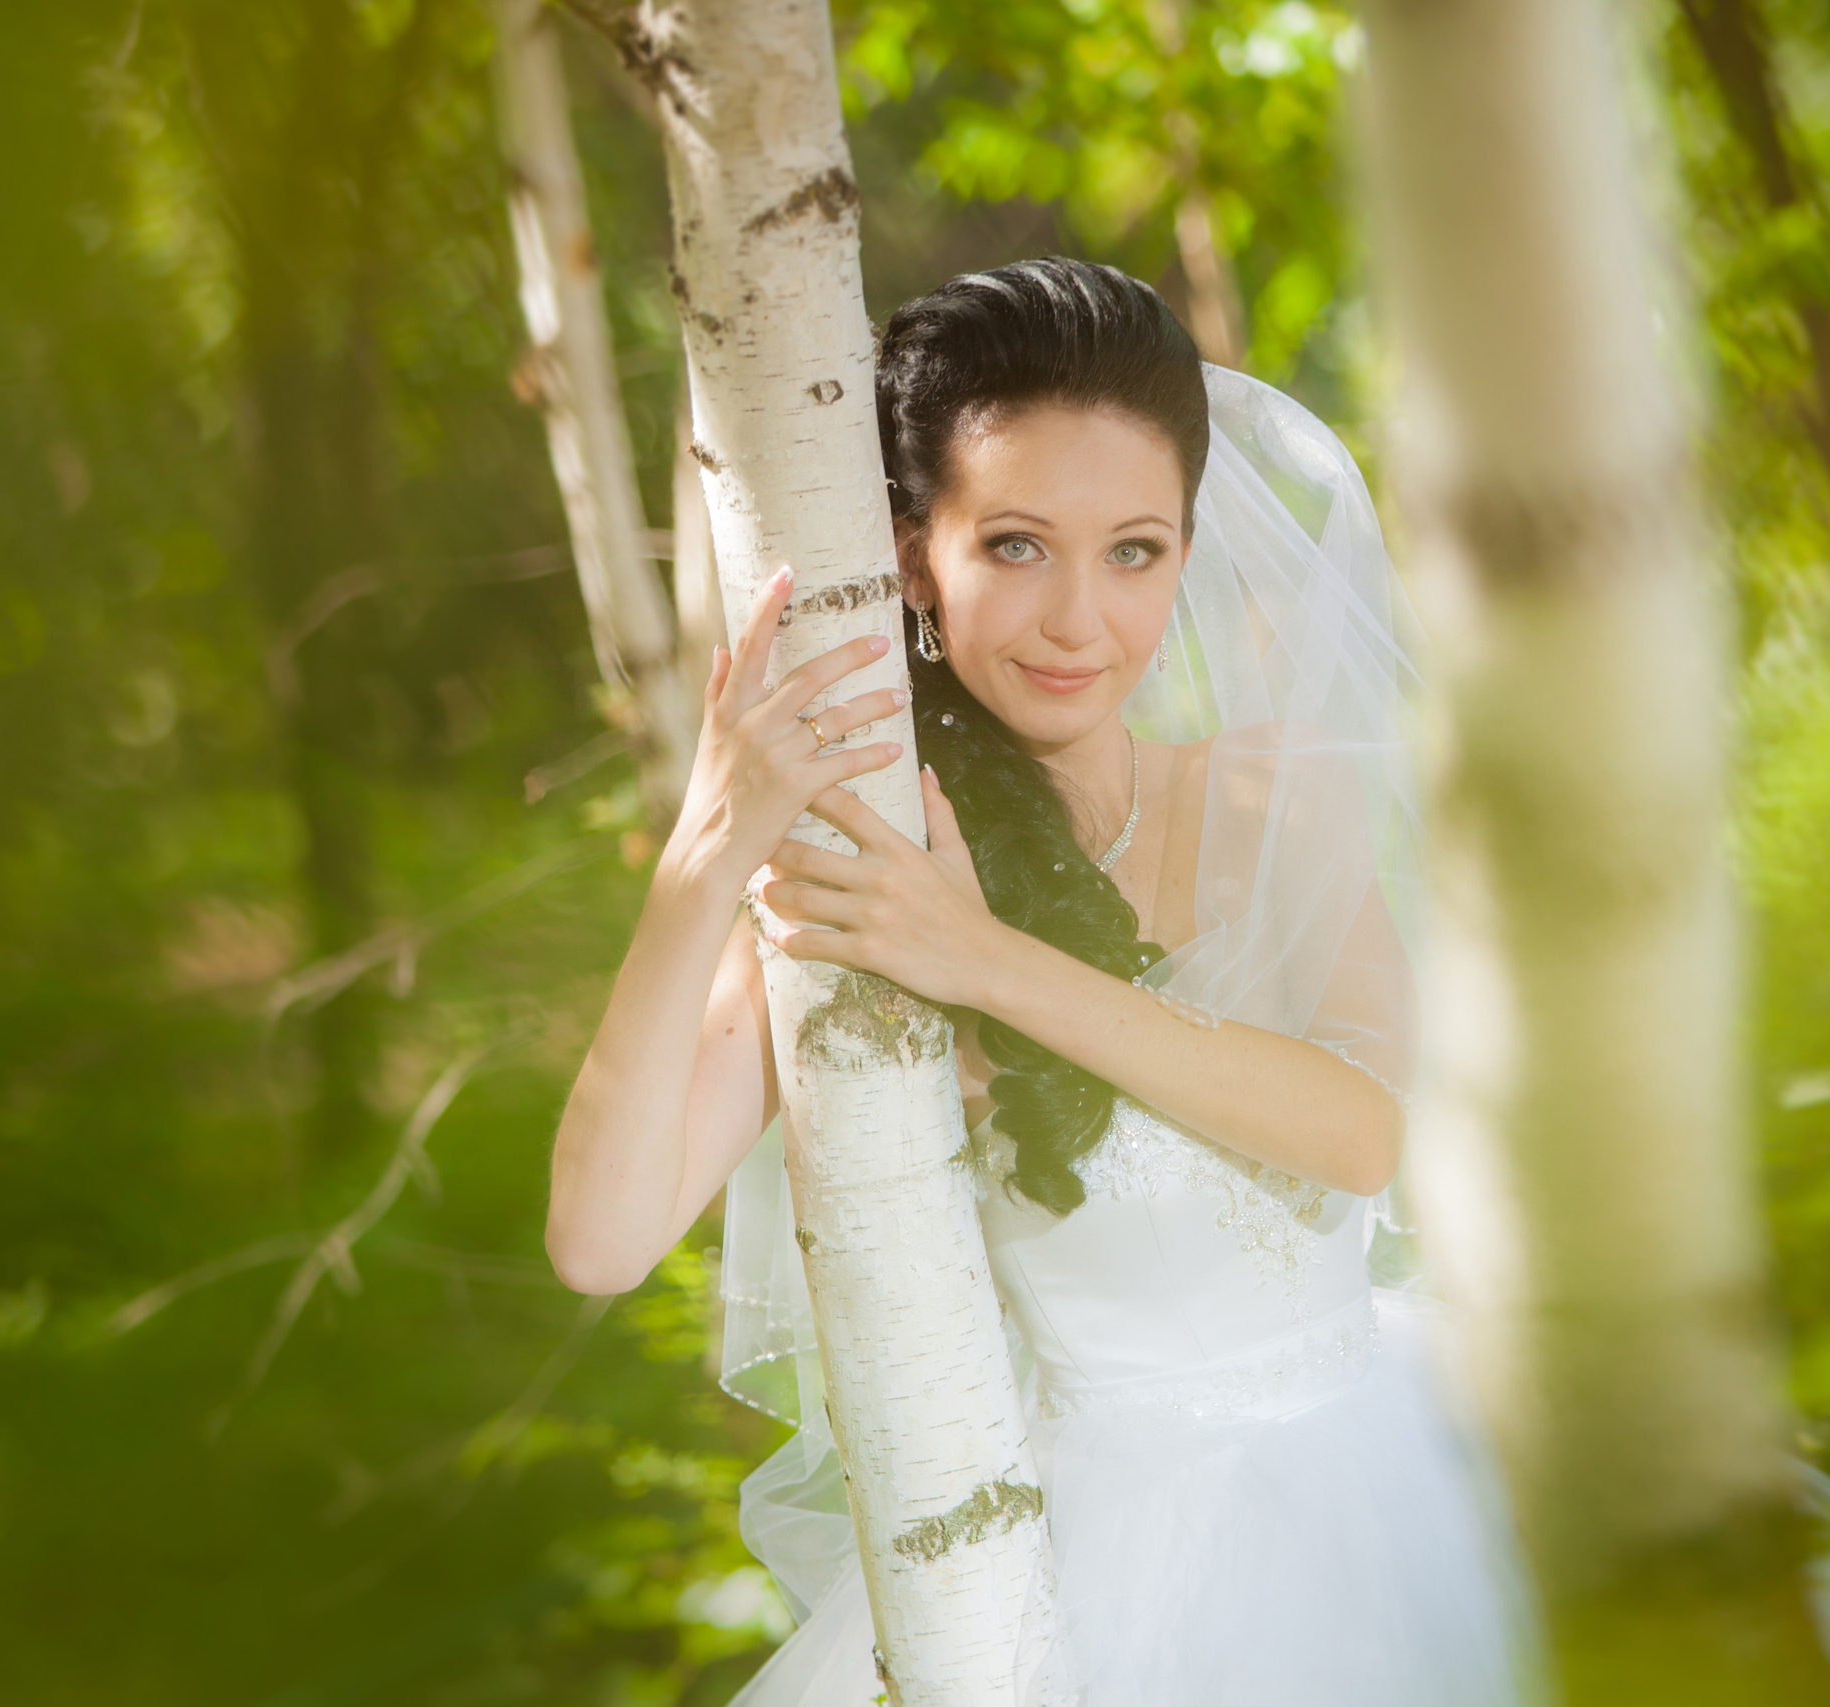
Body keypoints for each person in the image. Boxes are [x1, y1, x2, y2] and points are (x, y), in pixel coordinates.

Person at [546, 257, 1545, 1705]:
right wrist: (707, 846)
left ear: (1187, 552)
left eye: (1134, 551)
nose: (1081, 620)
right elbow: (599, 1240)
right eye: (1017, 545)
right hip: (1099, 1575)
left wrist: (988, 966)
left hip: (1397, 1474)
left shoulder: (1273, 805)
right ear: (913, 559)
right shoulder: (876, 872)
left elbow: (1361, 1129)